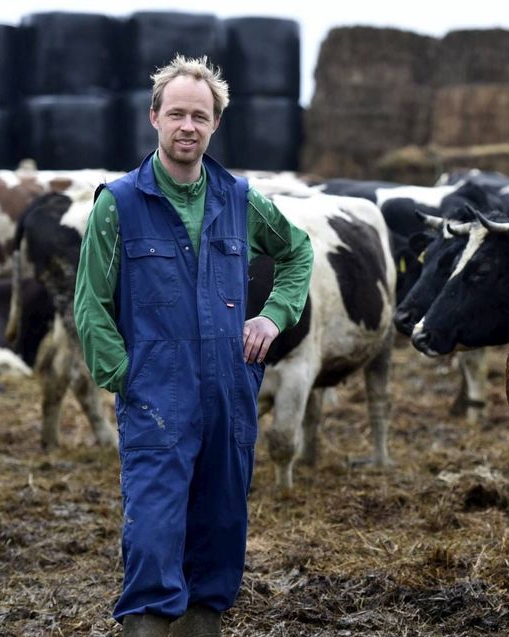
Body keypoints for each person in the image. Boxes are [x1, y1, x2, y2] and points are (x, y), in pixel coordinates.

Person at [73, 54, 313, 637]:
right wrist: (127, 377)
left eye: (199, 116)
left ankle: (203, 623)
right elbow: (90, 305)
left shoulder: (240, 199)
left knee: (221, 524)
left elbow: (298, 252)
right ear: (154, 117)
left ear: (214, 125)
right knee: (154, 529)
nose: (187, 125)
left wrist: (273, 318)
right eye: (176, 113)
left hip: (229, 391)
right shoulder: (120, 203)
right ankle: (149, 626)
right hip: (157, 393)